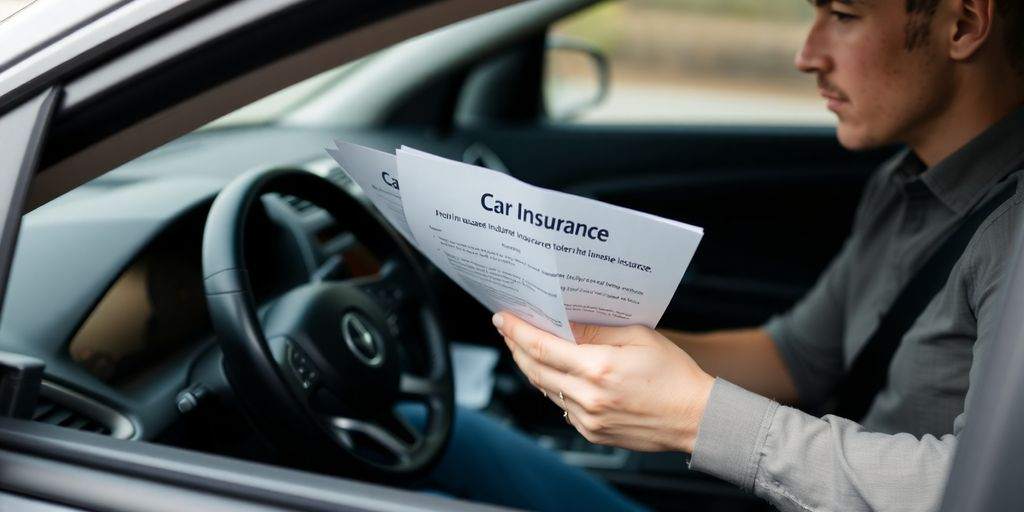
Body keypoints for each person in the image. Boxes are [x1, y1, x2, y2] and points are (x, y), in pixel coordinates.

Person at [419, 0, 1024, 510]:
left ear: (964, 24)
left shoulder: (1010, 235)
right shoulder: (901, 185)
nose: (807, 54)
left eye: (843, 14)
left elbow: (985, 491)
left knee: (428, 439)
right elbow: (796, 356)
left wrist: (693, 415)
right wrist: (597, 348)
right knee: (437, 431)